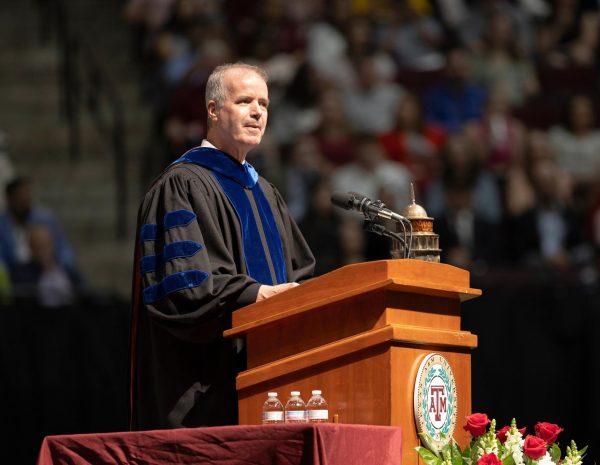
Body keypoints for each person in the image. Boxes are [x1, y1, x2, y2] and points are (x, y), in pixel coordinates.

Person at [130, 62, 315, 431]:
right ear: (213, 110)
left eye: (263, 103)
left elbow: (301, 276)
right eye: (245, 101)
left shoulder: (266, 192)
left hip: (272, 381)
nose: (258, 111)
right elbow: (183, 288)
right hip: (206, 386)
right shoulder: (181, 185)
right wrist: (256, 295)